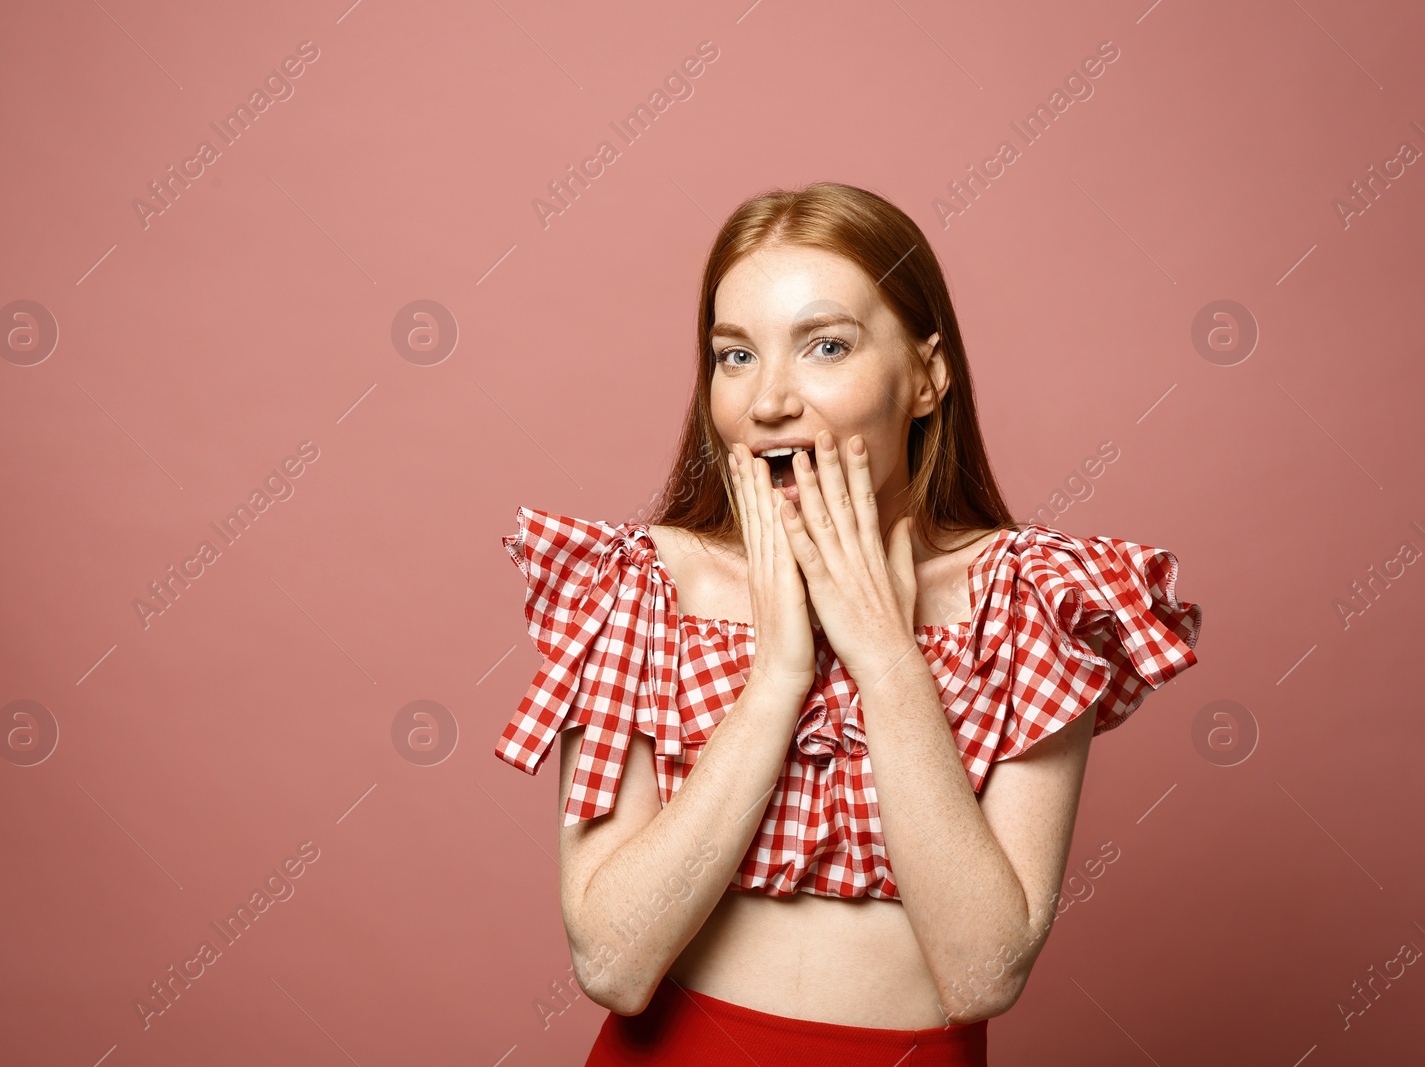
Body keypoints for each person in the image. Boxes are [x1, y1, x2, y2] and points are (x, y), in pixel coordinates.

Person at [494, 181, 1202, 1064]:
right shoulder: (642, 588)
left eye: (826, 345)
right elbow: (613, 960)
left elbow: (983, 971)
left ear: (927, 375)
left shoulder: (1034, 603)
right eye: (735, 355)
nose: (770, 402)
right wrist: (779, 680)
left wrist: (885, 657)